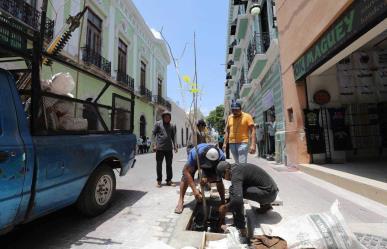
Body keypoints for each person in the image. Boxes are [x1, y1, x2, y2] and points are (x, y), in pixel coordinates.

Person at [217, 161, 279, 238]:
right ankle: (266, 206)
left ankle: (241, 227)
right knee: (237, 191)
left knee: (233, 191)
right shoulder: (236, 168)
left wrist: (226, 207)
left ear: (226, 171)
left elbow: (238, 200)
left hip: (268, 194)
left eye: (223, 176)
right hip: (272, 190)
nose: (225, 179)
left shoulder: (235, 174)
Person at [175, 143, 226, 214]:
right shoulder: (195, 153)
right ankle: (181, 200)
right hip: (198, 161)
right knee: (185, 177)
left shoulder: (221, 157)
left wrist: (208, 179)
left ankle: (223, 201)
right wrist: (195, 190)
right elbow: (186, 171)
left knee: (219, 180)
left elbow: (219, 175)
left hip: (214, 165)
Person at [152, 111, 178, 188]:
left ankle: (169, 180)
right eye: (166, 117)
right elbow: (153, 134)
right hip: (160, 148)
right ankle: (159, 181)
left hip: (169, 149)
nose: (167, 118)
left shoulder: (172, 126)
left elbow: (174, 137)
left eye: (168, 117)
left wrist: (175, 145)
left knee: (169, 165)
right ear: (163, 117)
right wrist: (154, 144)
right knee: (159, 165)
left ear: (170, 118)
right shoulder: (158, 124)